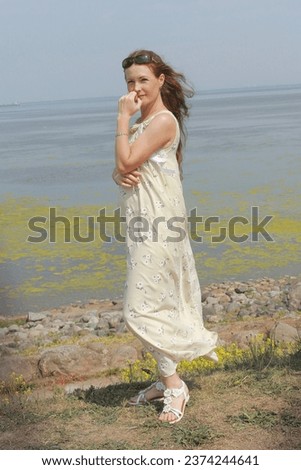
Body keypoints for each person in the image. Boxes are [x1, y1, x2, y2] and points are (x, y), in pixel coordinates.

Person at [112, 50, 218, 424]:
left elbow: (126, 160)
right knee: (158, 302)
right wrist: (117, 174)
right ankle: (162, 381)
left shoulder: (161, 121)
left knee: (137, 309)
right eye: (130, 82)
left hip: (160, 227)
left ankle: (175, 386)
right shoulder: (145, 122)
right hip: (142, 224)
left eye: (143, 79)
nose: (135, 87)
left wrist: (122, 117)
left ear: (160, 81)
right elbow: (126, 166)